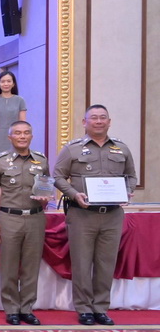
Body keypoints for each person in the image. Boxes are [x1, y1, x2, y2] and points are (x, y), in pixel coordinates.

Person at [53, 104, 136, 326]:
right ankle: (84, 309)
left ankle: (100, 308)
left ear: (109, 121)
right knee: (81, 263)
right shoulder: (72, 149)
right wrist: (73, 194)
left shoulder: (122, 149)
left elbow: (131, 176)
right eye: (94, 118)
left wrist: (127, 192)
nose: (98, 122)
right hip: (82, 215)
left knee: (106, 263)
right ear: (84, 122)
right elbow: (58, 176)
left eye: (103, 118)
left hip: (112, 215)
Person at [0, 121, 49, 326]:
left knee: (31, 267)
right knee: (10, 267)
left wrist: (46, 199)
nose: (22, 136)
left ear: (31, 136)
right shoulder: (0, 161)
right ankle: (12, 308)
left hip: (35, 218)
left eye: (26, 133)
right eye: (18, 133)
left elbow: (46, 188)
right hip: (9, 218)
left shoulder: (41, 161)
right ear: (10, 137)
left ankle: (27, 308)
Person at [0, 71, 27, 157]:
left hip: (14, 139)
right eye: (3, 81)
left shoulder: (20, 100)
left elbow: (23, 124)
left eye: (9, 81)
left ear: (13, 84)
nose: (6, 84)